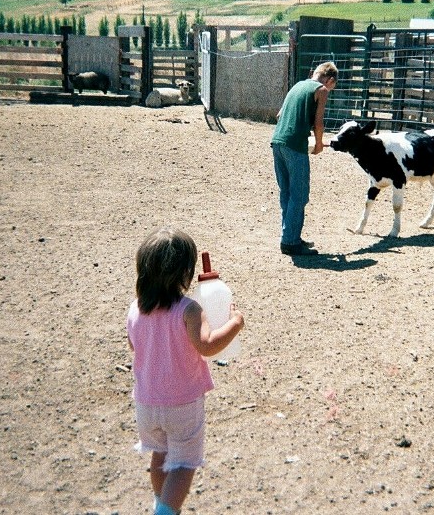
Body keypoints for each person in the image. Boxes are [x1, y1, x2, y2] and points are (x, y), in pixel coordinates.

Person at [127, 227, 245, 515]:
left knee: (161, 454)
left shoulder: (135, 309)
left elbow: (135, 346)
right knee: (183, 463)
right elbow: (207, 346)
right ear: (185, 272)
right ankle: (165, 512)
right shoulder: (189, 309)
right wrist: (235, 323)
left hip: (146, 402)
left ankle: (160, 501)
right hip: (182, 402)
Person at [271, 61, 338, 256]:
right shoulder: (321, 90)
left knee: (287, 193)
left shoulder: (298, 86)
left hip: (277, 141)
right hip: (295, 146)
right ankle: (290, 242)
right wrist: (318, 144)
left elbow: (279, 115)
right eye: (332, 86)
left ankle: (289, 235)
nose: (330, 89)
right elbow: (319, 123)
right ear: (330, 79)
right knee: (299, 194)